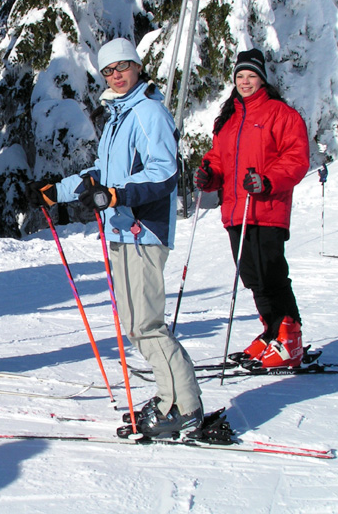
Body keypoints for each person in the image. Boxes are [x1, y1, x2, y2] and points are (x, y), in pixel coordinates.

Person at [27, 38, 203, 437]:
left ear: (138, 67)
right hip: (123, 230)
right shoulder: (119, 116)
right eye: (108, 70)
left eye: (123, 66)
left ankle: (185, 407)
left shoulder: (147, 112)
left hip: (144, 229)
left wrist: (118, 196)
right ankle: (167, 398)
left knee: (147, 324)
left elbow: (162, 172)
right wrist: (58, 189)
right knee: (137, 324)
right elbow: (103, 174)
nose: (116, 75)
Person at [194, 48, 309, 368]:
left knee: (271, 274)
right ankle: (273, 333)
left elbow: (296, 159)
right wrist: (209, 175)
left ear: (263, 79)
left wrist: (266, 181)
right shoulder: (228, 119)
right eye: (240, 76)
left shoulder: (281, 114)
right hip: (235, 211)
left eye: (252, 76)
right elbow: (218, 160)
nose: (245, 82)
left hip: (267, 207)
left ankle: (290, 339)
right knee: (252, 277)